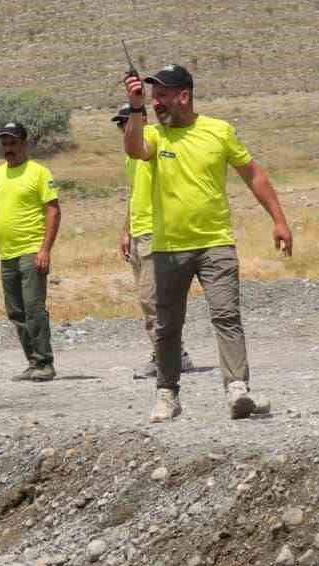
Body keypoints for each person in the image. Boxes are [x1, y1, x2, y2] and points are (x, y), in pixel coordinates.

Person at [123, 65, 294, 422]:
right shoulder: (154, 135)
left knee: (226, 315)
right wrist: (135, 107)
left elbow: (254, 175)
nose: (158, 104)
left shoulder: (219, 131)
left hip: (216, 243)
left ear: (184, 95)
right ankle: (167, 394)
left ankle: (237, 390)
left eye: (163, 97)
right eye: (154, 98)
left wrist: (279, 220)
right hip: (168, 248)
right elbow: (135, 149)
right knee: (168, 325)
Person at [0, 122, 63, 382]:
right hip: (7, 255)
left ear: (25, 143)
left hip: (31, 251)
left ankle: (45, 363)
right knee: (16, 311)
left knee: (34, 308)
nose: (8, 149)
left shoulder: (39, 173)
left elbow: (53, 210)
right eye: (5, 144)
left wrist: (45, 249)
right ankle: (34, 362)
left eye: (13, 143)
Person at [112, 104, 193, 382]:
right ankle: (169, 354)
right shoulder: (130, 157)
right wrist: (126, 230)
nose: (124, 128)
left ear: (142, 119)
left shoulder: (155, 146)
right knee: (148, 301)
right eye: (120, 125)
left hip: (154, 233)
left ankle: (169, 357)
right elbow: (136, 195)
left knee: (153, 299)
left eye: (127, 122)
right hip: (138, 232)